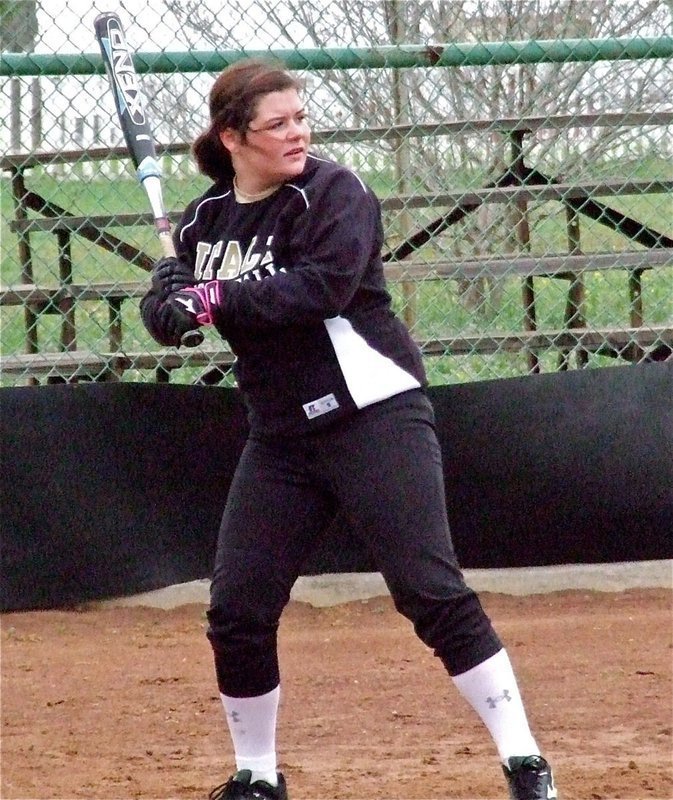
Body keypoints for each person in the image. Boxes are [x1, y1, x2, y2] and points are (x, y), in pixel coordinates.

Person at [140, 58, 558, 800]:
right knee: (236, 610)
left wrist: (213, 296)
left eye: (301, 118)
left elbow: (320, 287)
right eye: (278, 124)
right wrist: (169, 298)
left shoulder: (334, 193)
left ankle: (524, 761)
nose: (297, 132)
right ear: (233, 137)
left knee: (429, 591)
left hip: (373, 415)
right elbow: (176, 324)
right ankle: (258, 777)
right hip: (280, 440)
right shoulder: (206, 222)